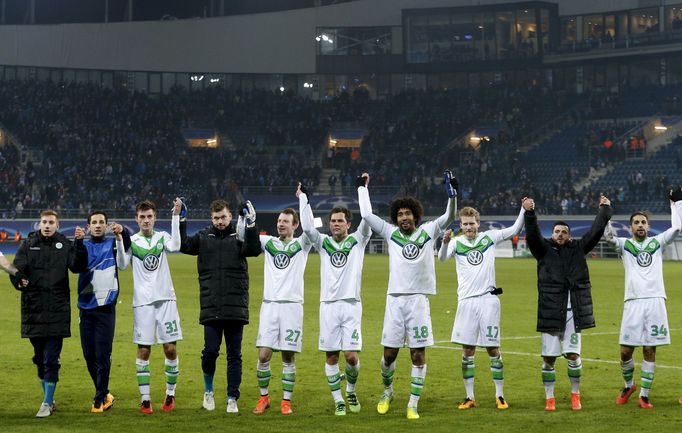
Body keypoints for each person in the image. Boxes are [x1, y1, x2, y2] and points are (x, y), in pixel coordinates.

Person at [358, 171, 457, 420]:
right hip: (394, 301)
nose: (404, 217)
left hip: (418, 302)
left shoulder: (428, 232)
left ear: (415, 215)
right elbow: (367, 215)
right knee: (388, 355)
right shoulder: (391, 234)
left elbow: (449, 216)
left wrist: (452, 195)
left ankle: (413, 403)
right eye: (400, 214)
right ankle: (388, 391)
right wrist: (363, 188)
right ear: (396, 218)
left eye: (407, 213)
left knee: (418, 354)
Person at [438, 200, 532, 410]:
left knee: (492, 348)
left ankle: (500, 396)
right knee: (467, 350)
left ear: (478, 223)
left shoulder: (489, 237)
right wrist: (444, 242)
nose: (469, 227)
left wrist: (522, 209)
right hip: (466, 302)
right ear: (461, 226)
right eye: (465, 224)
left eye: (472, 223)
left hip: (488, 301)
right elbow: (442, 259)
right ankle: (470, 397)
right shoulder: (456, 243)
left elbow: (515, 229)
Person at [524, 195, 612, 412]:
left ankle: (575, 395)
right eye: (557, 232)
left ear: (569, 235)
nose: (560, 234)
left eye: (564, 232)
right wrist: (529, 213)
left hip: (574, 311)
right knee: (549, 358)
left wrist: (605, 210)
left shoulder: (578, 249)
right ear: (551, 234)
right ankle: (550, 398)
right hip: (550, 310)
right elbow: (533, 234)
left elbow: (595, 231)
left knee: (573, 356)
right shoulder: (542, 250)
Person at [179, 199, 261, 414]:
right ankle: (208, 392)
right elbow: (184, 246)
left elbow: (254, 250)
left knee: (235, 355)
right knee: (210, 352)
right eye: (216, 218)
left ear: (230, 217)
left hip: (235, 306)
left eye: (223, 217)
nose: (220, 221)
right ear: (211, 219)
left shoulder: (240, 234)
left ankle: (232, 397)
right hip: (211, 305)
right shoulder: (204, 237)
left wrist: (251, 224)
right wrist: (181, 220)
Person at [297, 182, 371, 416]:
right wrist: (304, 199)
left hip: (351, 305)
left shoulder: (358, 241)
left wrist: (361, 189)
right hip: (328, 306)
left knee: (351, 356)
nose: (336, 224)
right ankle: (338, 399)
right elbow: (308, 228)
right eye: (333, 221)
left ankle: (350, 389)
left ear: (349, 224)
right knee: (331, 355)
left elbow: (368, 218)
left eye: (340, 221)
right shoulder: (324, 243)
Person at [605, 188, 682, 409]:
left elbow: (677, 227)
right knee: (625, 351)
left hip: (656, 300)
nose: (640, 225)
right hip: (633, 302)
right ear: (630, 227)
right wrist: (606, 212)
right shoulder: (625, 245)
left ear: (648, 226)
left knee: (650, 350)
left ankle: (645, 396)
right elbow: (608, 237)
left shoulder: (657, 243)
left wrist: (676, 203)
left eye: (643, 222)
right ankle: (629, 385)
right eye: (636, 222)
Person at [9, 210, 88, 417]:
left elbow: (77, 266)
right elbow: (18, 268)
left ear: (57, 225)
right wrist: (19, 280)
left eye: (51, 222)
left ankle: (46, 403)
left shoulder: (64, 244)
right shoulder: (28, 244)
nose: (47, 225)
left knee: (51, 358)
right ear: (39, 224)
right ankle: (50, 400)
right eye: (44, 222)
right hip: (33, 309)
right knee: (38, 358)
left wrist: (79, 244)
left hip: (57, 310)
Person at [120, 199, 182, 414]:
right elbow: (122, 265)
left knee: (170, 348)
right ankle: (145, 400)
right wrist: (120, 239)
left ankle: (170, 394)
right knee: (144, 350)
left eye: (149, 216)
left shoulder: (162, 237)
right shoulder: (132, 241)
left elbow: (176, 246)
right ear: (136, 219)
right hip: (143, 304)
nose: (146, 220)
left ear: (155, 218)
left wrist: (175, 215)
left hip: (166, 300)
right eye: (142, 217)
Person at [252, 202, 313, 415]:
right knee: (263, 355)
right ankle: (264, 398)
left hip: (292, 307)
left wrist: (303, 199)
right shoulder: (268, 242)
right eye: (279, 221)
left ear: (295, 224)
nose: (280, 224)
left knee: (288, 356)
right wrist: (247, 220)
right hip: (269, 305)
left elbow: (311, 227)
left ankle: (286, 401)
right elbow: (244, 236)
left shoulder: (302, 244)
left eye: (285, 222)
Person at [77, 211, 130, 413]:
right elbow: (74, 265)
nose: (98, 225)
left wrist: (122, 234)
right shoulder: (83, 245)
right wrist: (77, 242)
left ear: (107, 226)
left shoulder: (113, 244)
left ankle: (99, 399)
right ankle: (104, 391)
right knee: (89, 355)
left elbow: (125, 261)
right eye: (94, 222)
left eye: (101, 222)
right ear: (89, 226)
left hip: (106, 308)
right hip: (85, 306)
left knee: (102, 355)